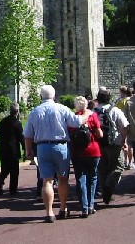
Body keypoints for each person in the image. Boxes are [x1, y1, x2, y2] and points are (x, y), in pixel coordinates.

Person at [24, 85, 91, 222]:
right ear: (54, 96)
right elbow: (77, 122)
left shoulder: (35, 112)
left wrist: (28, 149)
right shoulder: (62, 108)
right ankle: (62, 207)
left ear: (41, 96)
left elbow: (27, 134)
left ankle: (49, 212)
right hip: (61, 146)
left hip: (42, 146)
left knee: (46, 181)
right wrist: (87, 114)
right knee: (62, 178)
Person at [94, 88, 129, 205]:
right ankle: (109, 184)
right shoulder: (115, 110)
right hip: (114, 143)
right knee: (118, 166)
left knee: (102, 169)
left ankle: (105, 193)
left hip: (98, 143)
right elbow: (124, 126)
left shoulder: (93, 111)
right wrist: (123, 140)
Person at [69, 96, 102, 218]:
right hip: (93, 150)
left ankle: (84, 207)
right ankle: (91, 205)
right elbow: (99, 134)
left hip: (78, 152)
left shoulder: (73, 117)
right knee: (93, 177)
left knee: (81, 179)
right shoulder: (92, 116)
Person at [0, 103, 25, 196]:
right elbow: (21, 138)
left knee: (4, 168)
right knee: (14, 172)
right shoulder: (17, 123)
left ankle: (1, 179)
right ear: (17, 111)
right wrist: (25, 149)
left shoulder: (3, 121)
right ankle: (13, 190)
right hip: (13, 150)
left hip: (3, 149)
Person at [115, 85, 133, 170]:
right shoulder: (131, 100)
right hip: (131, 124)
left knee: (124, 143)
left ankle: (125, 160)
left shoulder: (120, 101)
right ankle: (130, 162)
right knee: (130, 145)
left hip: (122, 124)